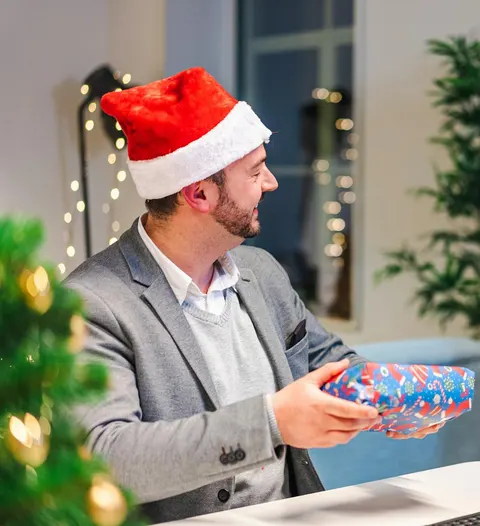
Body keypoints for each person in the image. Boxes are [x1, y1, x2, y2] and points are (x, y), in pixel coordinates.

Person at [64, 67, 442, 524]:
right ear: (199, 193)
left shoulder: (262, 272)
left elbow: (333, 361)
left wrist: (400, 397)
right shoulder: (92, 303)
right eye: (255, 171)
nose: (271, 183)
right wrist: (272, 421)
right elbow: (109, 458)